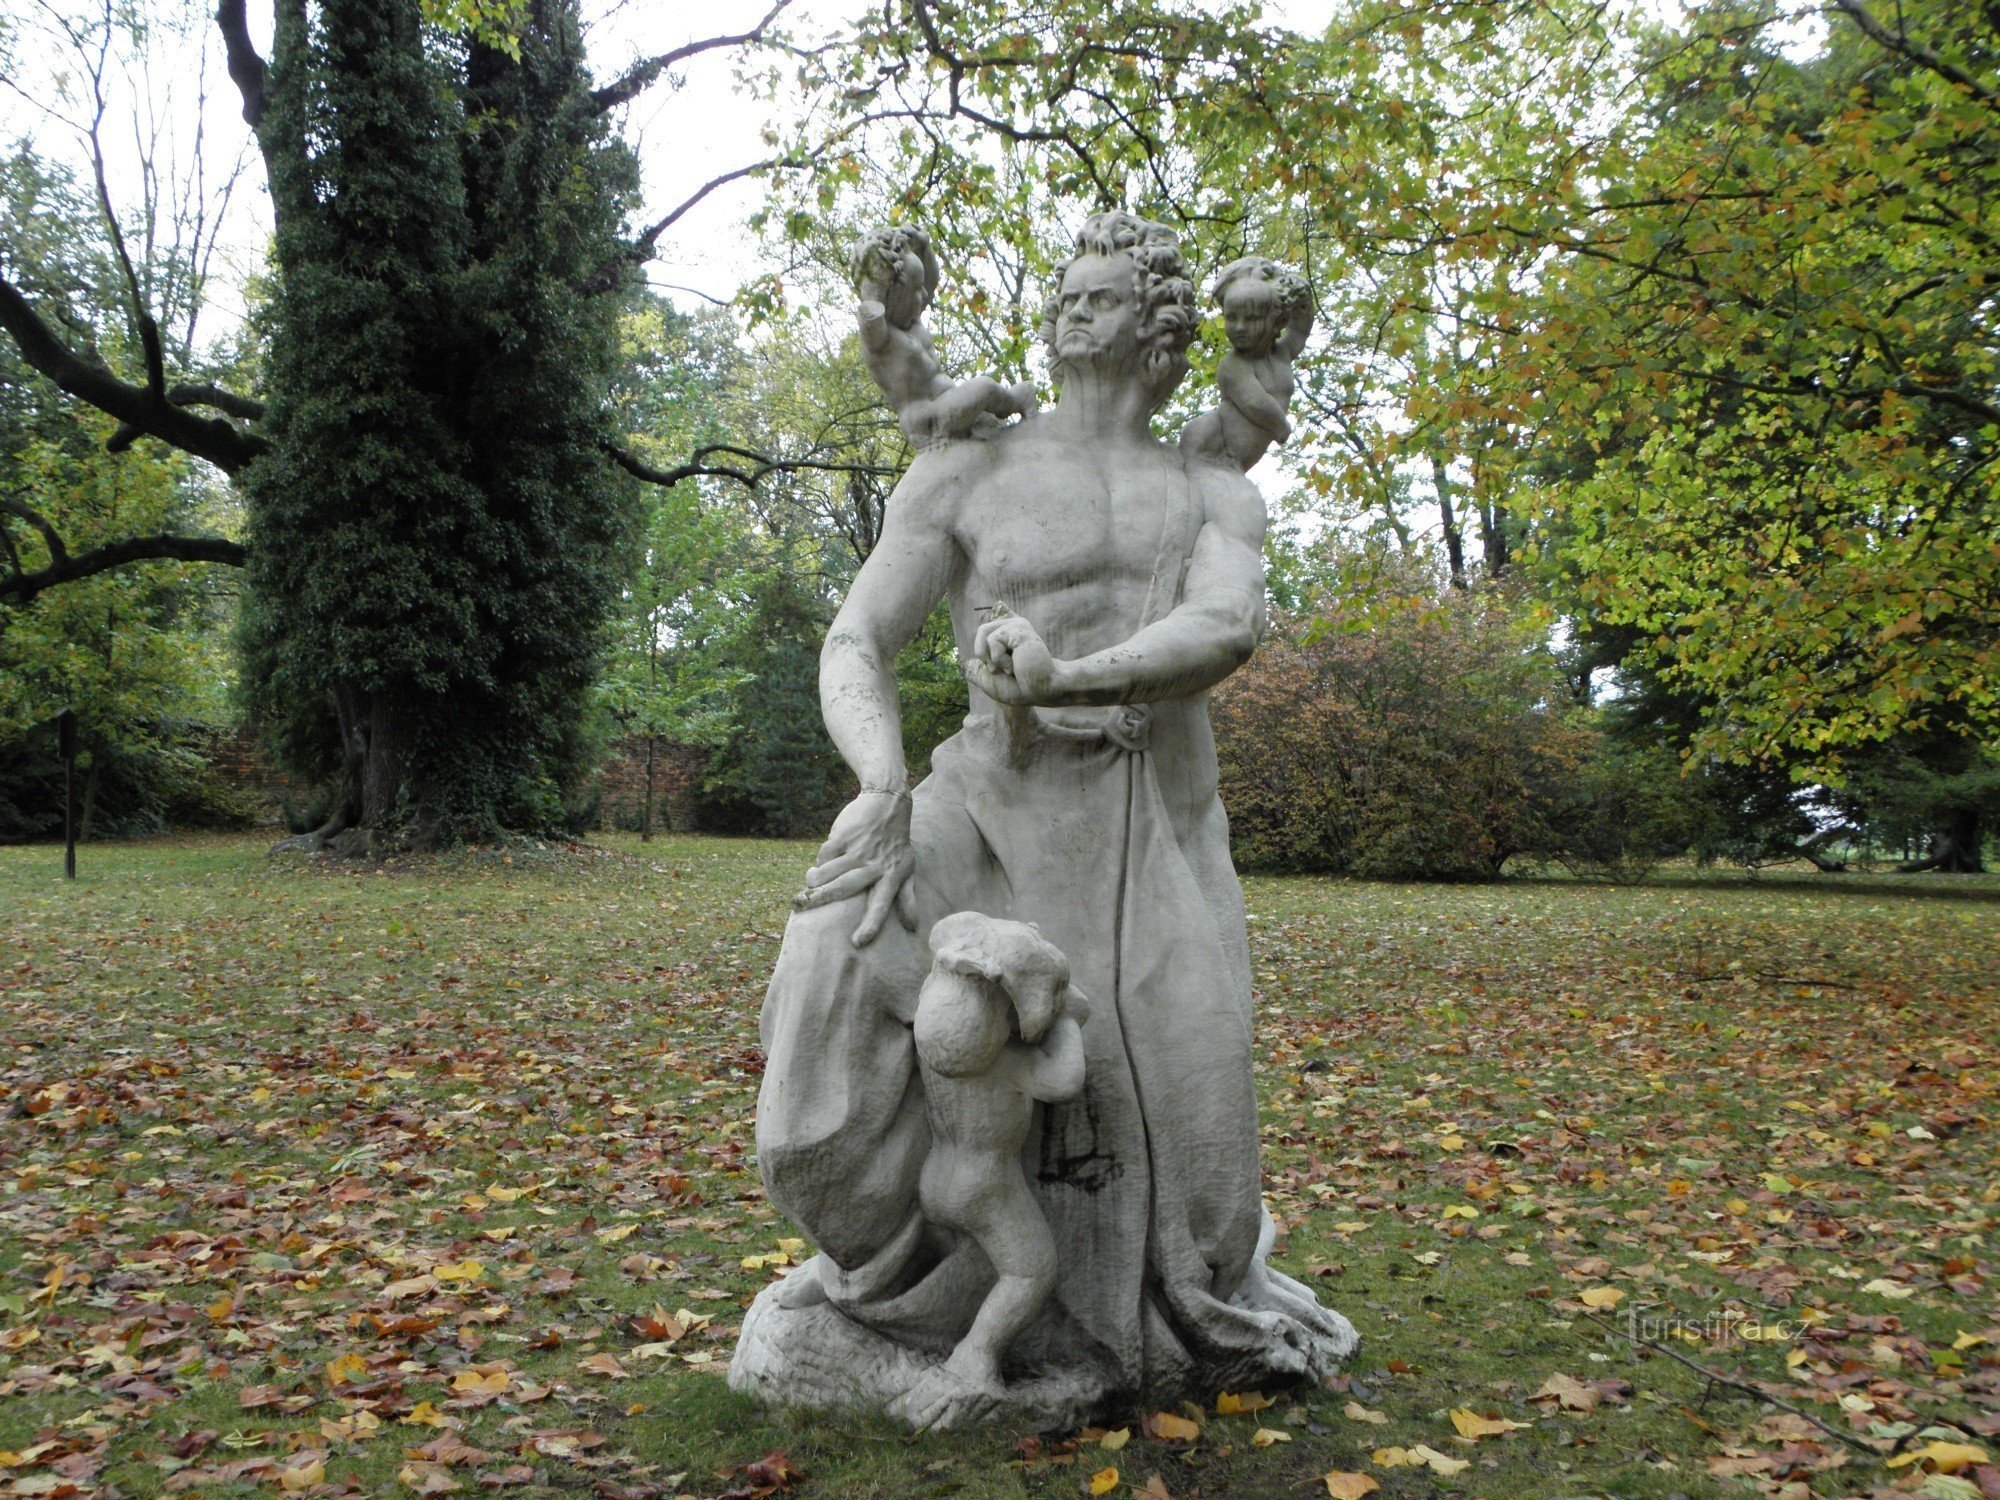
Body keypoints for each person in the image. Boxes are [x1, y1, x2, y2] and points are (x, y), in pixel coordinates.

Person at [737, 211, 1353, 1427]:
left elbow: (1225, 628)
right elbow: (857, 637)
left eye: (1105, 295)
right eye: (1065, 289)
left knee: (1202, 1167)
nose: (1073, 307)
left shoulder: (1208, 487)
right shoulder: (969, 464)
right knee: (827, 1008)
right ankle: (879, 1279)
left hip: (1148, 823)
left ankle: (1087, 1323)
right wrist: (874, 782)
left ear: (1159, 328)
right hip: (978, 804)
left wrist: (1073, 678)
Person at [851, 224, 1036, 449]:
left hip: (950, 405)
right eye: (916, 290)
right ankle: (1017, 399)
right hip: (930, 420)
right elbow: (871, 314)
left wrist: (925, 247)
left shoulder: (912, 321)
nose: (924, 294)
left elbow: (930, 281)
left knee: (982, 402)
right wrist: (875, 275)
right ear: (893, 295)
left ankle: (999, 416)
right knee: (984, 388)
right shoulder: (881, 340)